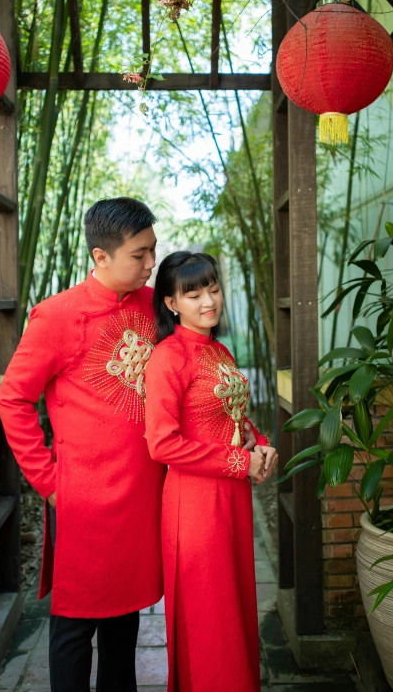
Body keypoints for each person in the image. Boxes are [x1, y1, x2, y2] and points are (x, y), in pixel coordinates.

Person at [0, 197, 166, 692]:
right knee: (74, 627)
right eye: (139, 254)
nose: (150, 263)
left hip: (139, 495)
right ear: (101, 257)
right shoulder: (56, 317)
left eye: (152, 251)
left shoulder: (153, 307)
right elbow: (13, 400)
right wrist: (48, 481)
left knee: (124, 623)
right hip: (84, 498)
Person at [145, 251, 278, 692]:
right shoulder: (168, 357)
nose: (209, 301)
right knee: (210, 615)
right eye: (194, 293)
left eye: (214, 288)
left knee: (236, 606)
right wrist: (240, 461)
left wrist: (259, 444)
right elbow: (162, 443)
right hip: (196, 504)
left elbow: (232, 415)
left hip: (232, 496)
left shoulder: (219, 349)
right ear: (171, 303)